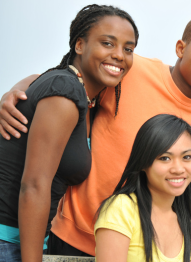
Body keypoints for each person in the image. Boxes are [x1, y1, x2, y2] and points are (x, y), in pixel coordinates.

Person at [0, 14, 191, 256]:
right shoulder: (131, 70)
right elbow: (61, 80)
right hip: (69, 234)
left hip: (134, 246)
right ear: (180, 48)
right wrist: (14, 92)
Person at [0, 5, 138, 262]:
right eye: (107, 43)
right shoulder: (65, 90)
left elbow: (36, 78)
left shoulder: (79, 93)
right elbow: (34, 185)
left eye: (128, 49)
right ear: (80, 45)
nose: (119, 55)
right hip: (8, 242)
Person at [95, 114, 191, 262]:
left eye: (187, 157)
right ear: (143, 162)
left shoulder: (185, 219)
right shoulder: (122, 208)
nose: (178, 169)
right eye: (165, 158)